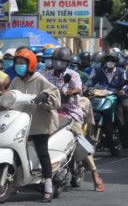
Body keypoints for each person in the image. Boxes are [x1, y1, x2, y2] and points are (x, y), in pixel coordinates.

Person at [42, 47, 104, 191]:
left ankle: (95, 172)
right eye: (56, 61)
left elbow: (78, 89)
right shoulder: (45, 74)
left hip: (69, 112)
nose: (58, 64)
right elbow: (36, 83)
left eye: (61, 62)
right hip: (50, 111)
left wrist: (69, 92)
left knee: (79, 139)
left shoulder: (73, 75)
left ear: (67, 63)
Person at [9, 48, 61, 202]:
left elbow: (55, 95)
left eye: (22, 63)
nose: (19, 66)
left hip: (39, 122)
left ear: (30, 64)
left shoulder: (39, 79)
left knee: (42, 152)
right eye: (16, 63)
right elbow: (10, 95)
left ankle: (48, 186)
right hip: (19, 123)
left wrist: (45, 95)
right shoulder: (16, 81)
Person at [86, 52, 128, 156]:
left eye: (111, 60)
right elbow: (92, 80)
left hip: (119, 97)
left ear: (116, 62)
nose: (109, 62)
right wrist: (85, 85)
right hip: (104, 98)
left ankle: (126, 146)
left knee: (121, 118)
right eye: (107, 60)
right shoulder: (101, 72)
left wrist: (125, 92)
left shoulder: (122, 72)